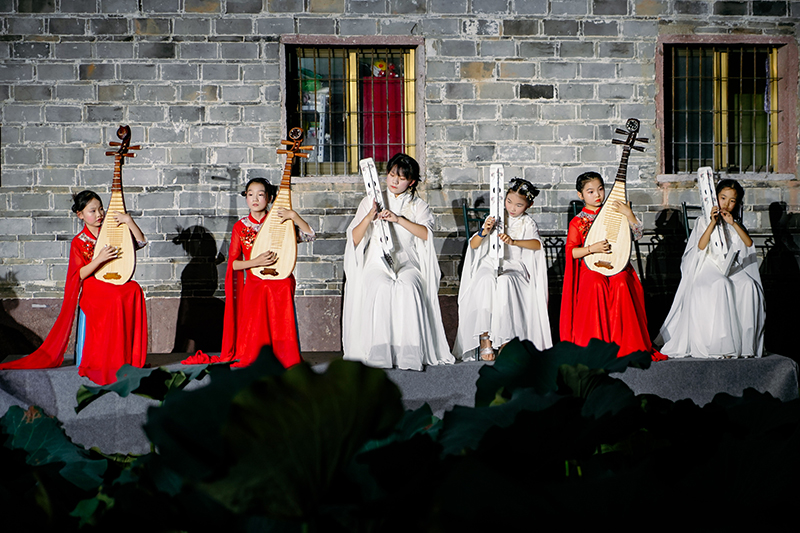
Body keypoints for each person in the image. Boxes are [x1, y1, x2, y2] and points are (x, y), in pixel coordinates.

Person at [0, 190, 148, 385]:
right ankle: (110, 359)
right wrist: (99, 259)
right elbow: (78, 275)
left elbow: (140, 242)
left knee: (133, 289)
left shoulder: (112, 232)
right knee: (115, 296)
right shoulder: (79, 241)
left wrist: (129, 221)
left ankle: (130, 357)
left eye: (101, 209)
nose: (99, 215)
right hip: (93, 285)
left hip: (113, 281)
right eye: (92, 211)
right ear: (80, 215)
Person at [342, 153, 454, 370]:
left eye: (401, 178)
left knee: (408, 287)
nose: (394, 181)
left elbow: (426, 234)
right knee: (381, 286)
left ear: (411, 182)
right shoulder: (370, 200)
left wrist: (398, 219)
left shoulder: (418, 206)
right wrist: (369, 217)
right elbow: (354, 238)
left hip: (407, 262)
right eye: (392, 175)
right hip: (376, 261)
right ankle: (380, 353)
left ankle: (408, 353)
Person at [656, 179, 765, 358]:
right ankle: (722, 345)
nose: (727, 204)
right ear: (716, 198)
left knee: (748, 285)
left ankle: (746, 346)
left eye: (732, 201)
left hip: (729, 264)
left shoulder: (733, 222)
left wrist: (733, 224)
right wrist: (712, 223)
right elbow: (700, 247)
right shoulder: (703, 220)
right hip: (707, 263)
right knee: (720, 283)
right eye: (723, 198)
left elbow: (748, 243)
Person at [560, 172, 660, 359]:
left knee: (622, 282)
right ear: (581, 195)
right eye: (590, 191)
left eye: (600, 189)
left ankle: (628, 346)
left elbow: (637, 235)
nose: (597, 195)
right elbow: (572, 252)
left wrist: (629, 214)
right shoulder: (578, 222)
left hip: (618, 266)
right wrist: (592, 248)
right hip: (591, 268)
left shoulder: (615, 211)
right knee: (595, 283)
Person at [453, 178, 552, 361]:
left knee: (505, 282)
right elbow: (474, 245)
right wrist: (484, 231)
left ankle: (507, 340)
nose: (512, 208)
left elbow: (537, 245)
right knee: (485, 280)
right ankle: (485, 337)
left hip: (514, 265)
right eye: (509, 202)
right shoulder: (495, 217)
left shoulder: (527, 223)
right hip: (489, 262)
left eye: (519, 205)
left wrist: (514, 242)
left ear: (529, 205)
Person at [220, 177, 315, 368]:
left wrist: (294, 216)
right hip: (255, 281)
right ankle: (257, 355)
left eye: (260, 195)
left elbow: (310, 235)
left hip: (280, 279)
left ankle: (285, 355)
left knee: (284, 284)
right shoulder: (240, 227)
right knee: (260, 286)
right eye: (250, 194)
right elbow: (233, 265)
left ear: (270, 198)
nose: (255, 199)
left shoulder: (280, 221)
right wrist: (255, 262)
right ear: (245, 198)